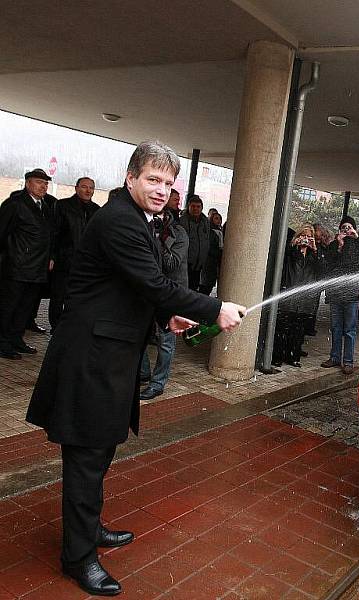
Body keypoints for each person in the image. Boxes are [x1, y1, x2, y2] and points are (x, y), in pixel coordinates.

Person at [25, 141, 245, 596]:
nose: (162, 190)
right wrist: (214, 307)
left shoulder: (138, 217)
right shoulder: (120, 221)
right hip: (91, 359)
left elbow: (130, 288)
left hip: (111, 355)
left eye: (168, 182)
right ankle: (79, 557)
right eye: (153, 179)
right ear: (131, 178)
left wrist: (166, 315)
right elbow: (154, 283)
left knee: (100, 450)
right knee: (86, 458)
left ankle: (89, 529)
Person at [0, 168, 56, 360]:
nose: (44, 186)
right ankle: (2, 342)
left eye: (46, 183)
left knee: (26, 307)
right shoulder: (15, 205)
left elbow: (49, 236)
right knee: (9, 306)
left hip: (37, 268)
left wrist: (50, 257)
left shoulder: (45, 207)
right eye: (39, 182)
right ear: (28, 183)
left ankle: (16, 338)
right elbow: (2, 233)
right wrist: (9, 259)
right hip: (17, 268)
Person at [139, 207, 189, 400]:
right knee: (140, 333)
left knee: (165, 341)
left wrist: (156, 239)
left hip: (170, 293)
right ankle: (143, 373)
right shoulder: (142, 229)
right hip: (147, 290)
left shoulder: (179, 234)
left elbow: (171, 264)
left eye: (160, 218)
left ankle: (158, 384)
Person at [321, 215, 359, 375]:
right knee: (336, 328)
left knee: (349, 330)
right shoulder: (333, 245)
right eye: (343, 228)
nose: (346, 230)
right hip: (336, 295)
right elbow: (328, 266)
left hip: (351, 295)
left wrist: (357, 238)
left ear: (354, 229)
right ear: (339, 230)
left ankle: (348, 362)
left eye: (349, 227)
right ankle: (335, 357)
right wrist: (338, 246)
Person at [49, 177, 100, 328]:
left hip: (86, 263)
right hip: (65, 259)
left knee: (78, 296)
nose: (88, 190)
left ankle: (71, 325)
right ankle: (55, 326)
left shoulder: (97, 210)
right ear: (76, 188)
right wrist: (52, 256)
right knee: (59, 295)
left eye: (91, 187)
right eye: (84, 187)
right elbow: (54, 233)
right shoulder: (62, 205)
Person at [273, 223, 323, 366]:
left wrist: (315, 250)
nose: (306, 239)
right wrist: (292, 246)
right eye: (303, 236)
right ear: (298, 236)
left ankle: (293, 357)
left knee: (298, 331)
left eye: (309, 237)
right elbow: (280, 263)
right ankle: (277, 357)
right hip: (288, 296)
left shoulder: (315, 255)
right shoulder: (290, 251)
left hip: (304, 300)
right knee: (282, 328)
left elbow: (322, 271)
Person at [178, 194, 210, 291]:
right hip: (185, 264)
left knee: (194, 289)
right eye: (193, 206)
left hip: (199, 265)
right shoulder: (182, 221)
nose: (196, 209)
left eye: (198, 207)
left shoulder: (205, 222)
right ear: (188, 207)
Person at [199, 211, 224, 295]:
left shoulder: (220, 231)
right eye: (216, 218)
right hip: (209, 262)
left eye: (220, 218)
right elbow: (209, 247)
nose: (219, 220)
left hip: (215, 263)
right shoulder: (210, 232)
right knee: (205, 287)